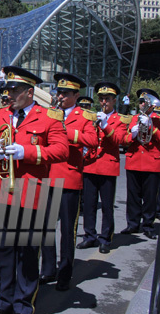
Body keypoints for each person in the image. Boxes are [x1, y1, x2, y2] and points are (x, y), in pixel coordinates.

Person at [0, 66, 68, 314]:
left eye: (15, 90)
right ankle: (2, 301)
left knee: (28, 253)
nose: (10, 94)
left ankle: (24, 306)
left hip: (31, 193)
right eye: (7, 89)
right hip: (2, 192)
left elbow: (61, 150)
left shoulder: (49, 117)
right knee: (2, 250)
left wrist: (26, 153)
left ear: (30, 92)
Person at [39, 73, 98, 291]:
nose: (60, 96)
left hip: (69, 178)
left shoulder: (85, 117)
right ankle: (48, 269)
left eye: (65, 93)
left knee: (67, 230)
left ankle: (65, 272)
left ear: (76, 95)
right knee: (45, 228)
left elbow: (92, 141)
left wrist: (67, 130)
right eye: (58, 92)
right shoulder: (50, 114)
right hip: (47, 176)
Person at [78, 82, 129, 251]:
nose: (104, 102)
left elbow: (119, 140)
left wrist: (105, 125)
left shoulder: (119, 119)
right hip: (91, 165)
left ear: (114, 100)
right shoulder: (93, 117)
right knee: (89, 204)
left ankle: (106, 238)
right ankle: (89, 235)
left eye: (107, 99)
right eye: (101, 99)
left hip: (107, 166)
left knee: (107, 206)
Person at [121, 89, 160, 239]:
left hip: (152, 162)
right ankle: (132, 223)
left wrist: (151, 126)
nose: (142, 104)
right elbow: (124, 139)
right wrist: (133, 134)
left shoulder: (157, 119)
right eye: (141, 102)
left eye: (145, 102)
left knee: (150, 196)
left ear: (151, 104)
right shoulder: (133, 118)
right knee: (133, 195)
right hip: (134, 161)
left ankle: (148, 225)